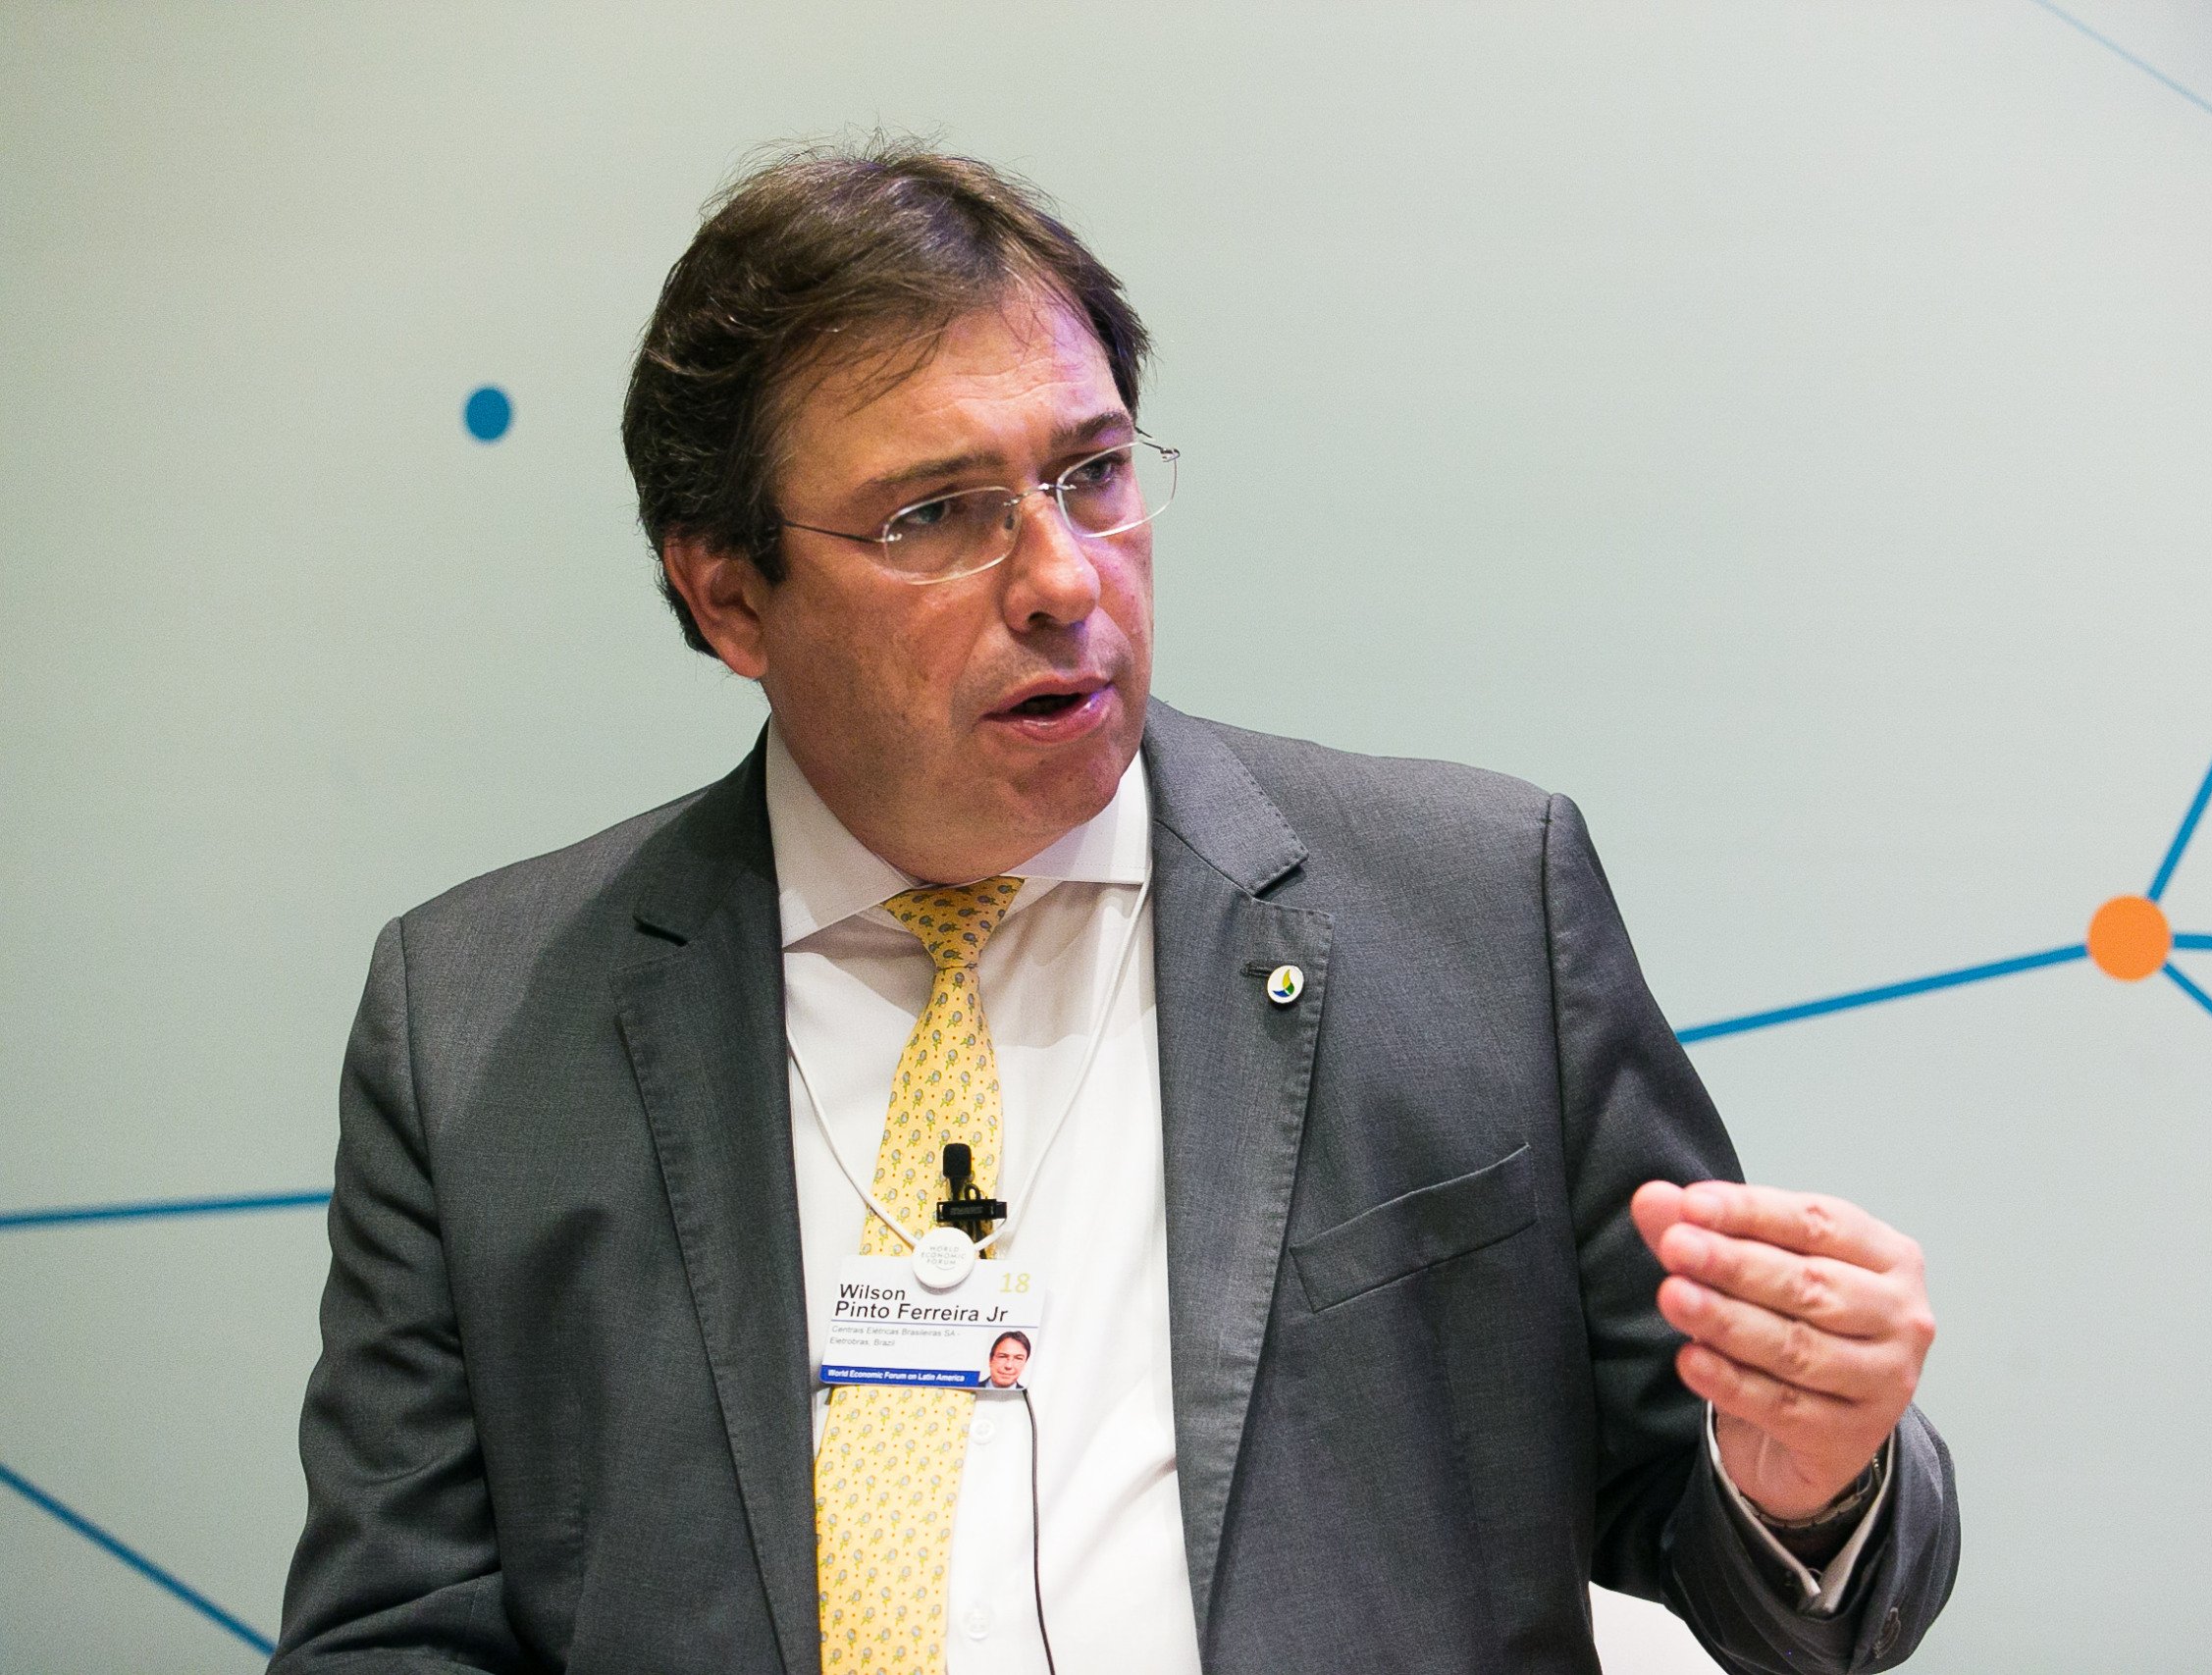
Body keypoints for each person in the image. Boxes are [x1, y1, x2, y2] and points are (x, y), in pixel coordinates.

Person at [273, 143, 1957, 1675]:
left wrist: (1814, 1474)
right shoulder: (481, 1022)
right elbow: (398, 1631)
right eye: (939, 514)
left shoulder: (1471, 911)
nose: (1065, 578)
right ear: (727, 594)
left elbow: (1741, 1541)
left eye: (1091, 474)